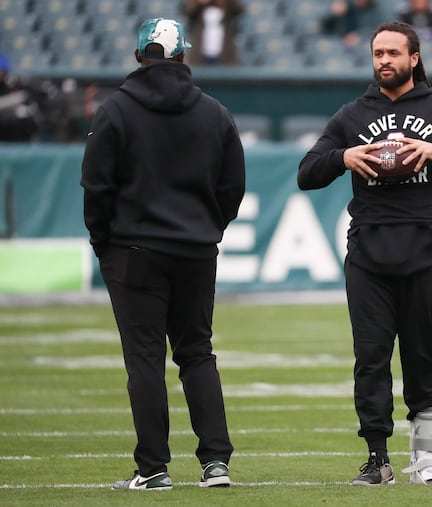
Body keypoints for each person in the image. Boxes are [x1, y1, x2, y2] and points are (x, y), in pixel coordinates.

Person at [298, 21, 432, 486]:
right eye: (378, 53)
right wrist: (342, 156)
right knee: (370, 358)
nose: (384, 60)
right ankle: (377, 459)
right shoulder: (352, 114)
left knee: (423, 354)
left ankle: (429, 458)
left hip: (424, 246)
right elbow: (307, 173)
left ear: (414, 58)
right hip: (368, 251)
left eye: (393, 53)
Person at [81, 18, 245, 491]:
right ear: (182, 57)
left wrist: (103, 242)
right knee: (197, 353)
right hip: (196, 250)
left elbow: (96, 189)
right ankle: (216, 463)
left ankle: (153, 469)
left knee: (145, 359)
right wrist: (209, 227)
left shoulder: (113, 112)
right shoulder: (215, 112)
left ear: (138, 56)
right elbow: (232, 185)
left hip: (133, 250)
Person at [183, 0, 244, 65]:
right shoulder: (199, 9)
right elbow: (187, 11)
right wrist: (199, 2)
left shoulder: (227, 7)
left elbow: (240, 10)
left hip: (224, 55)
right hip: (200, 55)